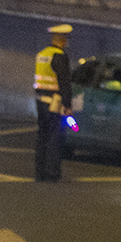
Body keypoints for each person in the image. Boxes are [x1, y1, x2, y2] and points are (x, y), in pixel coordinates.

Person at [32, 23, 72, 182]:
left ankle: (40, 172)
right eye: (66, 38)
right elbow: (65, 83)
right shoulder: (60, 56)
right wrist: (68, 106)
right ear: (62, 40)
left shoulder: (41, 55)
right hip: (54, 103)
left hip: (40, 101)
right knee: (55, 137)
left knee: (42, 136)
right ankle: (52, 172)